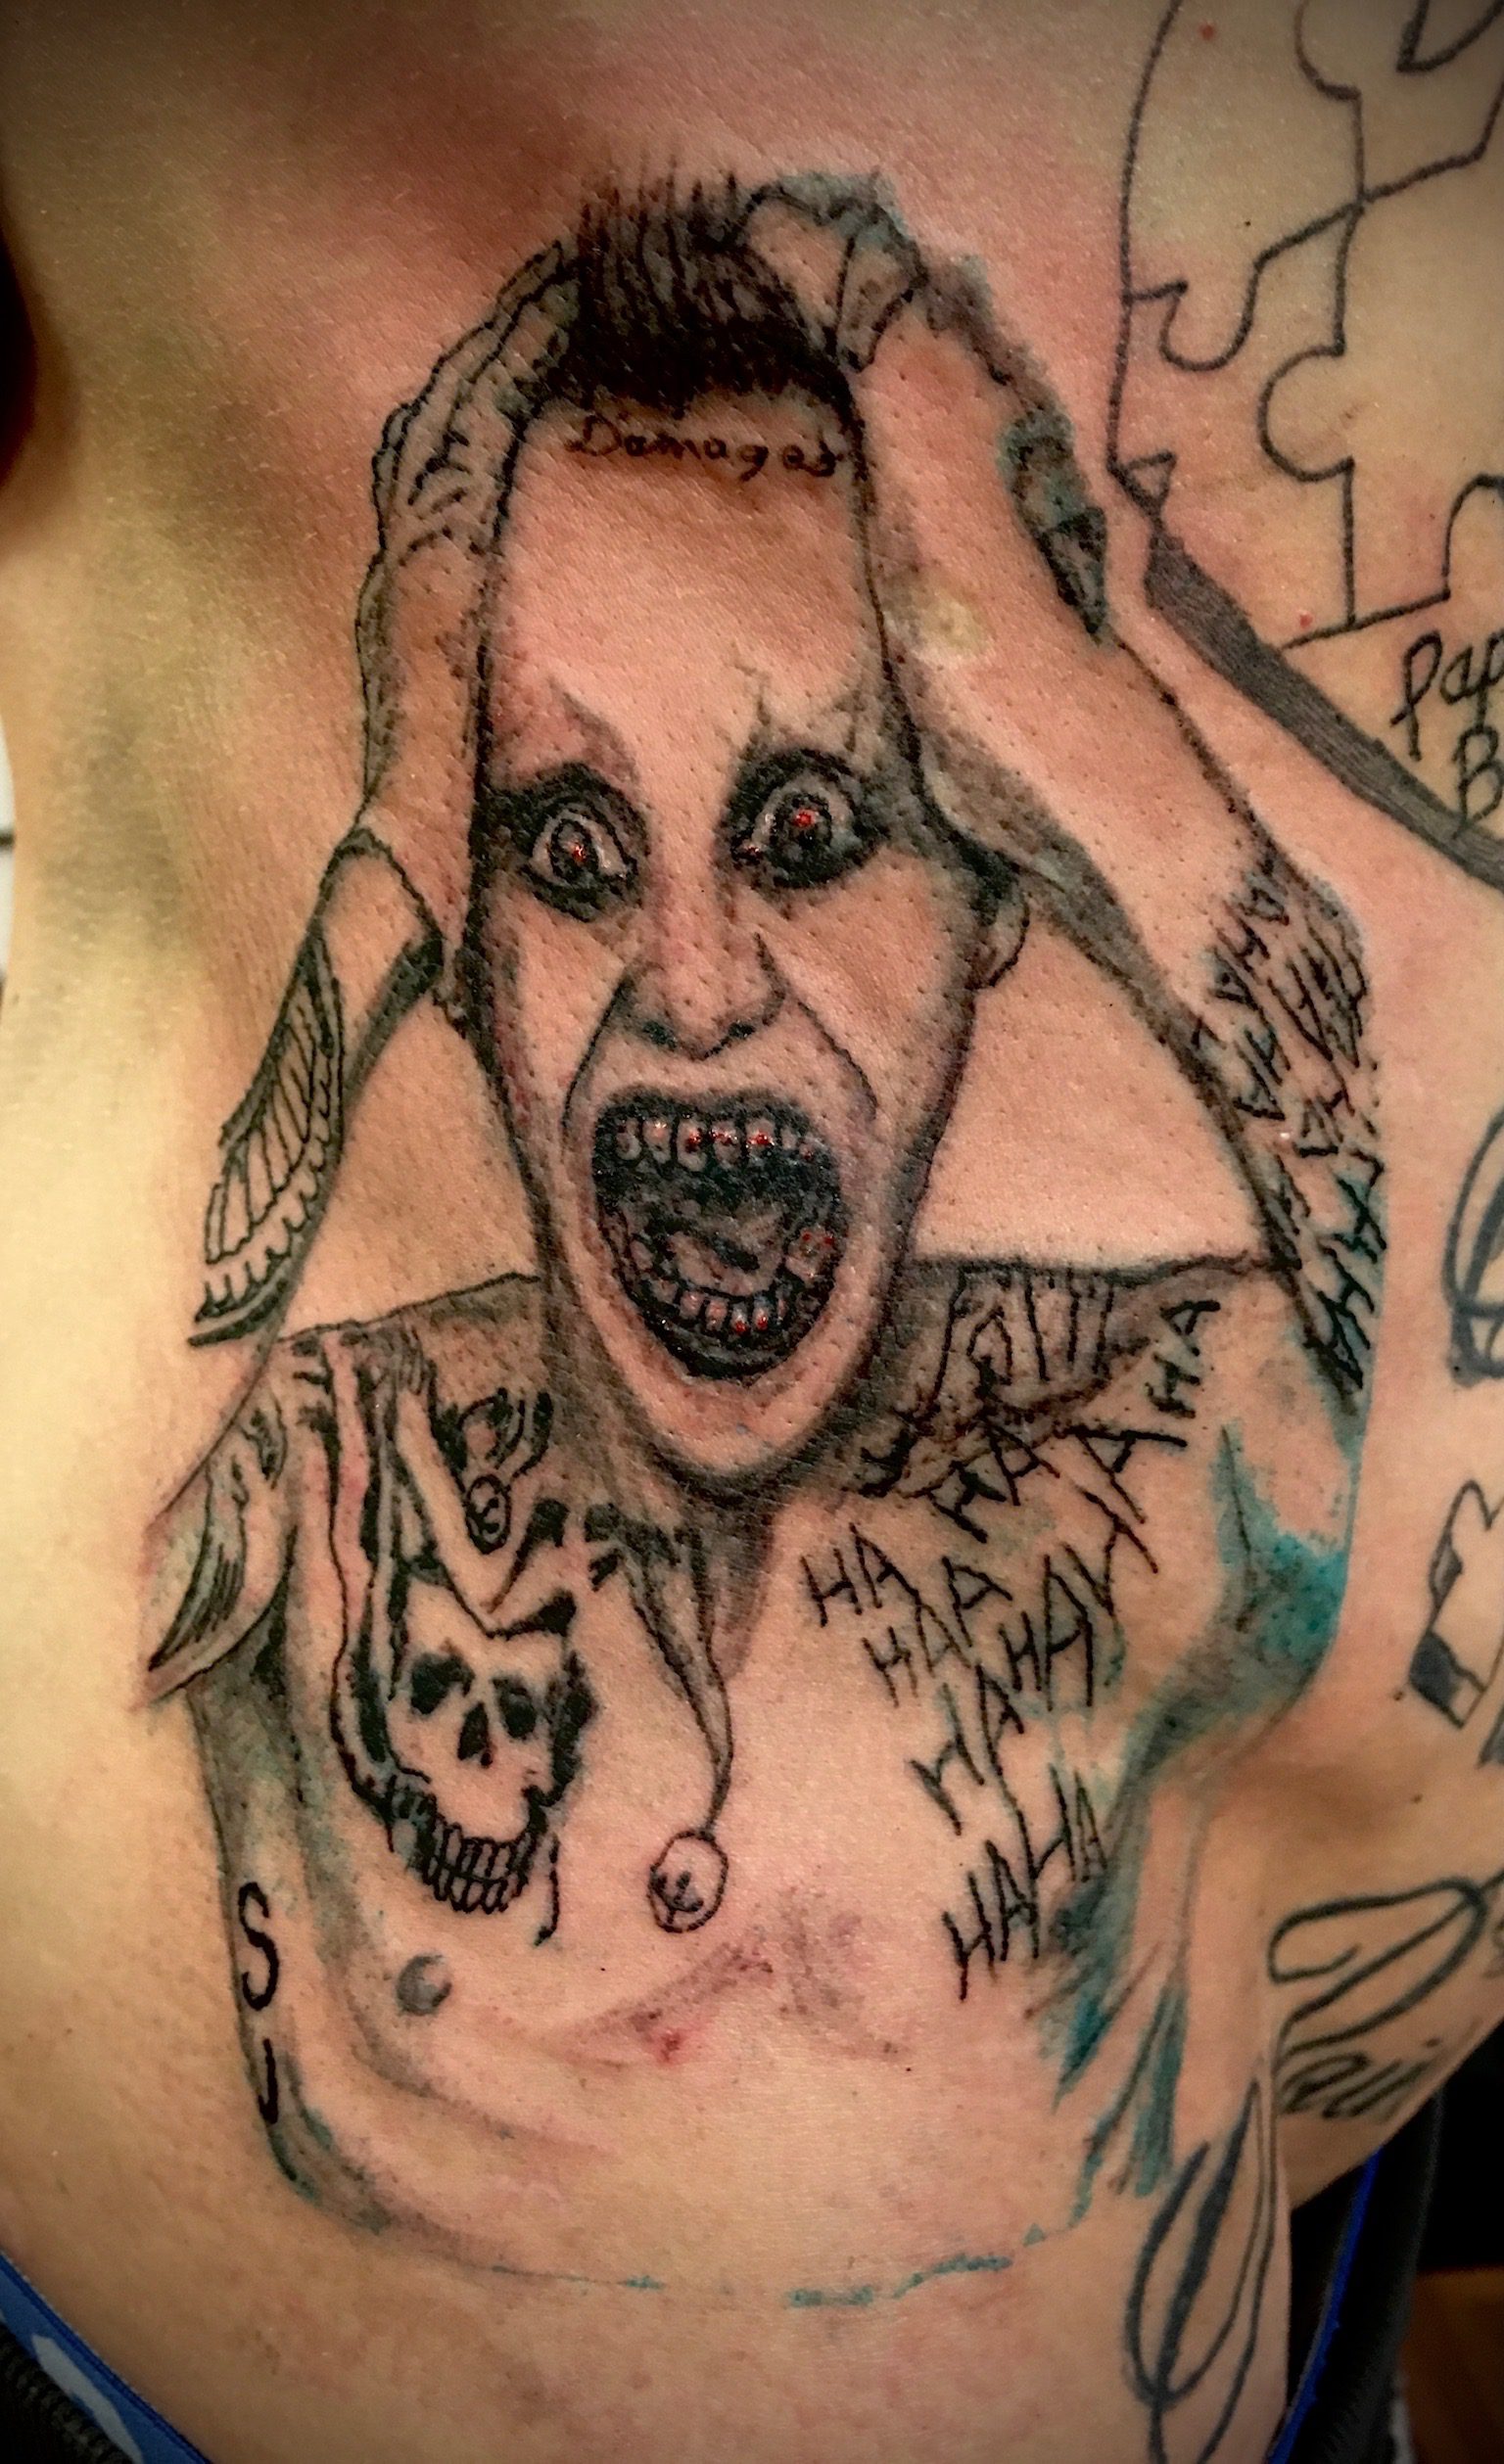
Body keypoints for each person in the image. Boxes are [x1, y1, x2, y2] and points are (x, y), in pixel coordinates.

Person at [1, 12, 1500, 2463]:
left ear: (1001, 882)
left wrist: (1098, 746)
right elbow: (144, 1539)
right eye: (568, 855)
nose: (693, 988)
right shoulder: (340, 1458)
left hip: (1328, 2150)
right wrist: (388, 855)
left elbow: (1429, 1302)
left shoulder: (1162, 1390)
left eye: (814, 830)